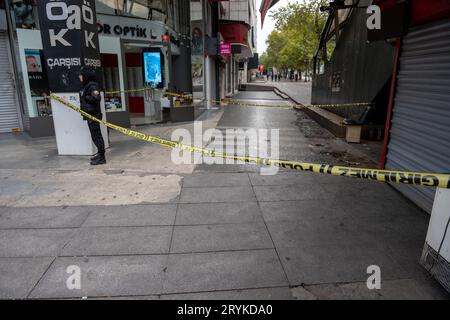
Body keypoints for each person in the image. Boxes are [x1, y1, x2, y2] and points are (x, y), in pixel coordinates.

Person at [79, 67, 106, 165]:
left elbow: (97, 98)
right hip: (90, 115)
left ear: (86, 76)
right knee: (94, 136)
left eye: (81, 75)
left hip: (93, 115)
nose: (80, 77)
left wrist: (86, 97)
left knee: (97, 136)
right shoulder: (87, 86)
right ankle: (99, 154)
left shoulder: (92, 86)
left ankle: (102, 157)